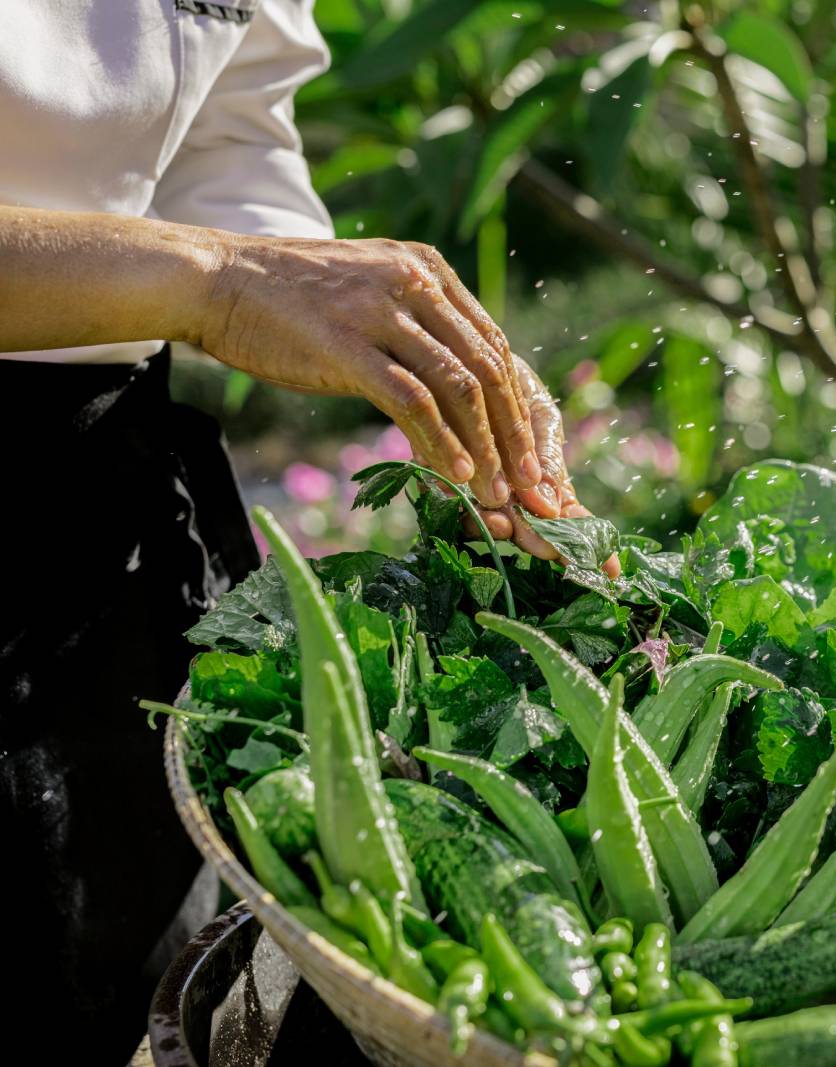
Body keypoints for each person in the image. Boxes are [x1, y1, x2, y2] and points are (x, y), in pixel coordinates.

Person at [0, 3, 591, 1057]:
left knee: (119, 959)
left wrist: (396, 347)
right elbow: (213, 261)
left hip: (96, 506)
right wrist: (216, 281)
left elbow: (223, 140)